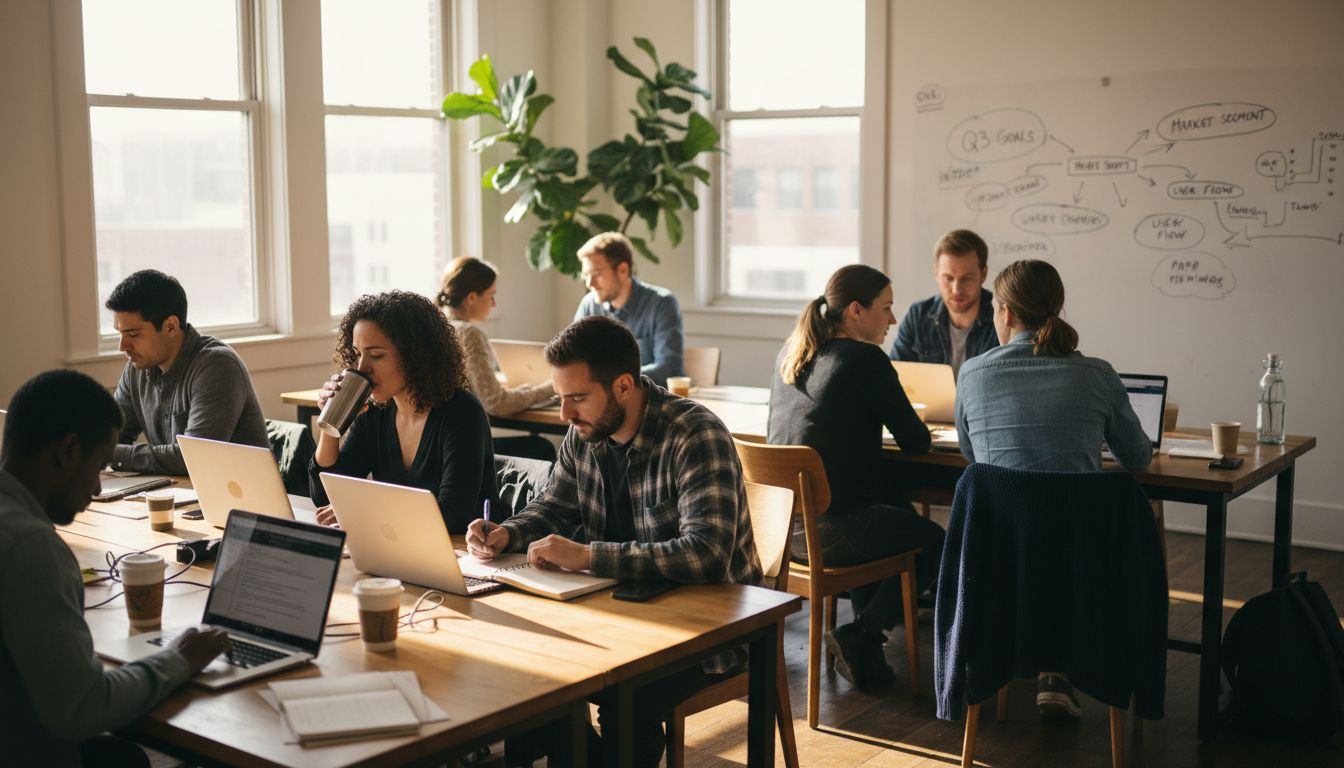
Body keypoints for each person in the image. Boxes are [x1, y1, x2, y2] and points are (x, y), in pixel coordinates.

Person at [467, 315, 760, 768]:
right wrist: (509, 531)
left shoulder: (694, 434)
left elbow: (707, 554)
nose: (565, 414)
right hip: (619, 609)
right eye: (561, 398)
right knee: (531, 674)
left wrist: (587, 556)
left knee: (628, 699)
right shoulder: (585, 432)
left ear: (624, 386)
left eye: (577, 398)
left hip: (707, 628)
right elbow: (554, 506)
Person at [0, 369, 229, 767]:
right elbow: (83, 709)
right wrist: (180, 658)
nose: (97, 490)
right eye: (101, 466)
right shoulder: (32, 549)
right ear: (68, 451)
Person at [955, 258, 1152, 717]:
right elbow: (1138, 458)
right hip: (1081, 563)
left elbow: (973, 460)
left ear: (1003, 312)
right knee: (1058, 546)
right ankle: (1058, 674)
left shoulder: (973, 374)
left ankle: (1014, 668)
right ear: (1057, 309)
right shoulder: (1098, 374)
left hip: (1001, 563)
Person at [769, 264, 947, 693]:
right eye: (885, 309)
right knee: (937, 541)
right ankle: (861, 633)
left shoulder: (791, 353)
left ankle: (867, 650)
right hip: (833, 531)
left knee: (886, 507)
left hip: (781, 533)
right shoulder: (866, 359)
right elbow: (916, 441)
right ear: (855, 311)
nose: (892, 319)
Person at [310, 290, 498, 534]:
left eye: (376, 355)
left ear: (415, 356)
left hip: (470, 556)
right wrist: (330, 423)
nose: (362, 367)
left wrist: (362, 510)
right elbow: (324, 497)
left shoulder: (462, 413)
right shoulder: (374, 413)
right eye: (357, 354)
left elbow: (451, 516)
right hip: (402, 546)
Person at [106, 269, 269, 475]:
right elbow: (107, 437)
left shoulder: (217, 366)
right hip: (180, 494)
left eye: (133, 334)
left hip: (239, 499)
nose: (123, 346)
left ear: (171, 327)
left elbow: (195, 457)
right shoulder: (136, 368)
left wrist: (116, 455)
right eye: (119, 333)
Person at [437, 256, 556, 461]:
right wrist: (551, 388)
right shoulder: (468, 333)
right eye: (491, 295)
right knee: (540, 448)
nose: (494, 303)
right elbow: (496, 403)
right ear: (472, 298)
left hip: (439, 445)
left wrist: (523, 392)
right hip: (462, 449)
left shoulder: (438, 326)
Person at [573, 232, 685, 383]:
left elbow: (670, 368)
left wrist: (612, 382)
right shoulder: (589, 306)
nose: (589, 283)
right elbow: (574, 361)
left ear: (623, 270)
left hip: (651, 401)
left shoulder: (662, 304)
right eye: (586, 275)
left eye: (597, 274)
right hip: (601, 404)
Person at [889, 229, 999, 377]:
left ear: (983, 274)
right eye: (948, 278)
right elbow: (894, 376)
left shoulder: (1003, 318)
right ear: (936, 274)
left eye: (967, 278)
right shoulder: (918, 316)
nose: (956, 289)